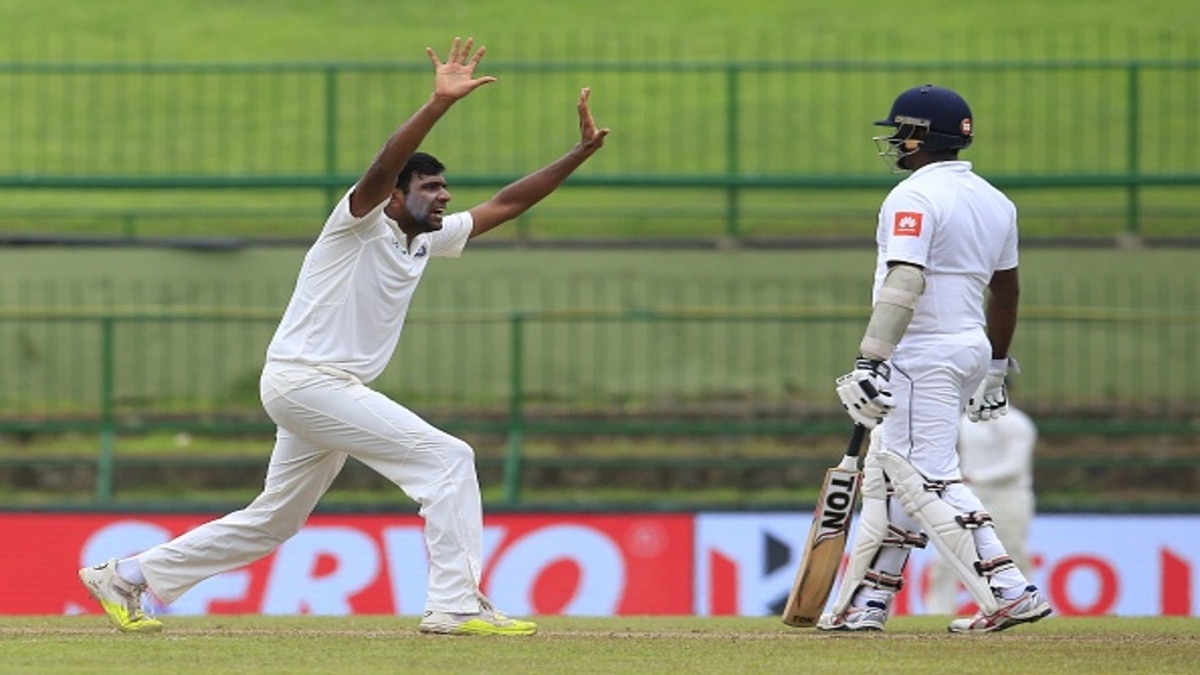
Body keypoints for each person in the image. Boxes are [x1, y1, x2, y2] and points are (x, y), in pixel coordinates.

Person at [78, 36, 609, 636]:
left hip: (319, 389)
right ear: (396, 197)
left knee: (274, 520)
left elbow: (507, 203)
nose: (445, 196)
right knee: (449, 460)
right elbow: (384, 163)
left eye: (443, 187)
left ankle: (126, 575)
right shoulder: (354, 226)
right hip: (309, 382)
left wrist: (579, 153)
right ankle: (455, 606)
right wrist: (438, 104)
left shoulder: (424, 240)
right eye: (431, 187)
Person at [822, 84, 1051, 633]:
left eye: (901, 131)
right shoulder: (996, 201)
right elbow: (1007, 292)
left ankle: (1008, 589)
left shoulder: (913, 197)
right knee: (887, 475)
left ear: (921, 135)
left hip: (921, 351)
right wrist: (995, 365)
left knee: (925, 476)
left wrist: (870, 360)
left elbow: (905, 279)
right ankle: (866, 603)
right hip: (968, 345)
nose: (896, 142)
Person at [926, 404, 1037, 614]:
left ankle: (1026, 605)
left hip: (1008, 497)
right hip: (968, 496)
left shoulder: (1016, 423)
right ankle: (938, 613)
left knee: (1013, 554)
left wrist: (975, 476)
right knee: (947, 556)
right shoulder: (964, 421)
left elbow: (1015, 466)